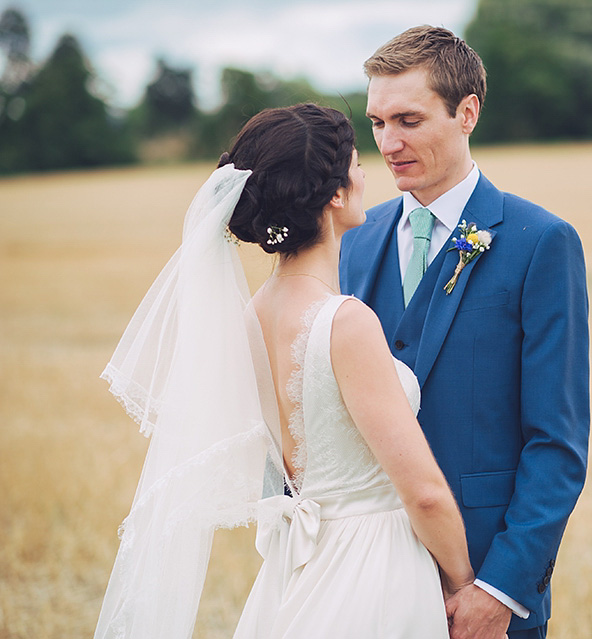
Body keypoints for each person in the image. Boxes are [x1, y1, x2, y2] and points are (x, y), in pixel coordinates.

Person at [94, 103, 473, 639]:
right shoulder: (346, 321)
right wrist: (462, 584)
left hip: (297, 568)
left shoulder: (250, 318)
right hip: (374, 568)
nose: (369, 172)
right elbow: (424, 493)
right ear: (336, 193)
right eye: (357, 163)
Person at [340, 26, 590, 639]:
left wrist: (500, 589)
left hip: (482, 589)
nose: (388, 143)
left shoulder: (541, 243)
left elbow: (556, 442)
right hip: (363, 581)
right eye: (376, 123)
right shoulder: (353, 237)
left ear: (467, 113)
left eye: (408, 120)